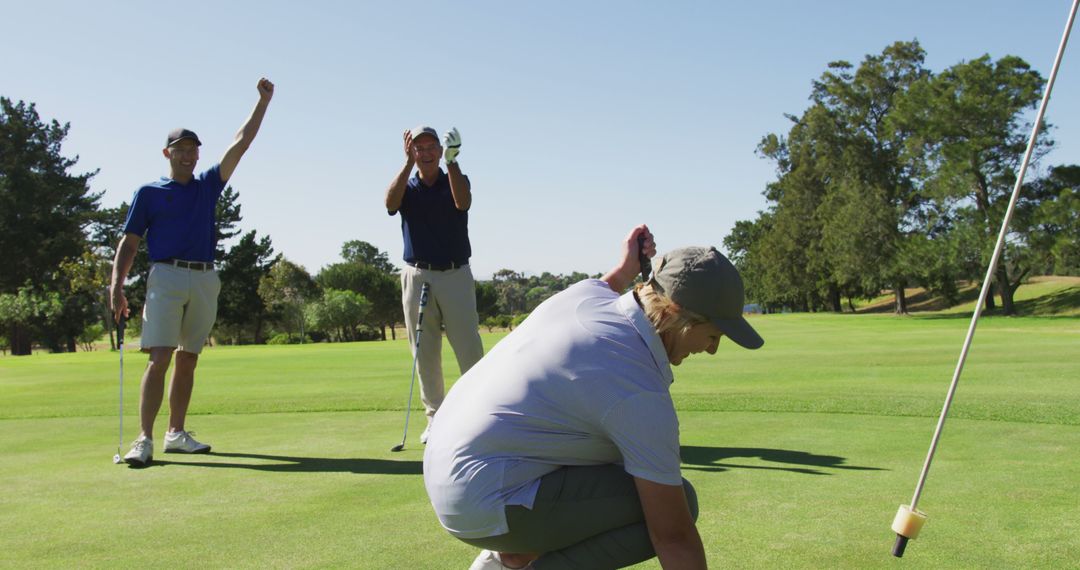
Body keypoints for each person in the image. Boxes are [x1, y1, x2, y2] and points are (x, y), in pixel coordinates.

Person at [423, 225, 764, 569]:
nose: (713, 349)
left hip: (445, 469)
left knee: (608, 447)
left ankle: (510, 558)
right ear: (679, 318)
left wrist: (626, 268)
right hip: (481, 499)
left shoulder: (585, 295)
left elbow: (610, 285)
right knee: (678, 503)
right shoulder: (637, 388)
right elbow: (673, 537)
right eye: (713, 334)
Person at [109, 78, 275, 467]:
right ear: (168, 152)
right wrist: (117, 285)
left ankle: (176, 434)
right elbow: (130, 243)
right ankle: (144, 440)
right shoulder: (149, 192)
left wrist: (262, 103)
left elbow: (241, 142)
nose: (188, 156)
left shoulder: (207, 186)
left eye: (194, 151)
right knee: (160, 357)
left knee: (189, 358)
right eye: (181, 150)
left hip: (204, 277)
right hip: (165, 276)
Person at [385, 125, 485, 444]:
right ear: (411, 152)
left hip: (455, 274)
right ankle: (435, 418)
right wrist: (404, 165)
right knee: (424, 352)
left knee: (469, 348)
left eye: (431, 147)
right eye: (419, 148)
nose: (425, 153)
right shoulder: (408, 187)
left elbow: (463, 203)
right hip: (417, 275)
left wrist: (453, 163)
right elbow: (389, 204)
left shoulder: (455, 179)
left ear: (440, 152)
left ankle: (481, 413)